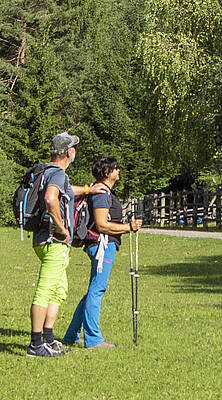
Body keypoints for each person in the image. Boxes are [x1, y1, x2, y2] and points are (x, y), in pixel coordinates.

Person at [61, 156, 141, 351]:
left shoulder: (102, 191)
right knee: (97, 290)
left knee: (93, 290)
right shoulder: (101, 193)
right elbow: (102, 225)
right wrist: (128, 227)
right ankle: (93, 339)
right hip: (102, 245)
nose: (119, 171)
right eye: (115, 168)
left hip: (98, 245)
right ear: (107, 173)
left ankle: (72, 335)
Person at [26, 131, 84, 358]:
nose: (75, 152)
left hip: (43, 240)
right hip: (53, 240)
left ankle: (48, 339)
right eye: (74, 148)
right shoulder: (58, 175)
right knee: (45, 291)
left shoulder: (47, 172)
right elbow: (51, 198)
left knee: (59, 290)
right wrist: (61, 227)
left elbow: (66, 192)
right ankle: (35, 344)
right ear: (69, 152)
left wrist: (88, 189)